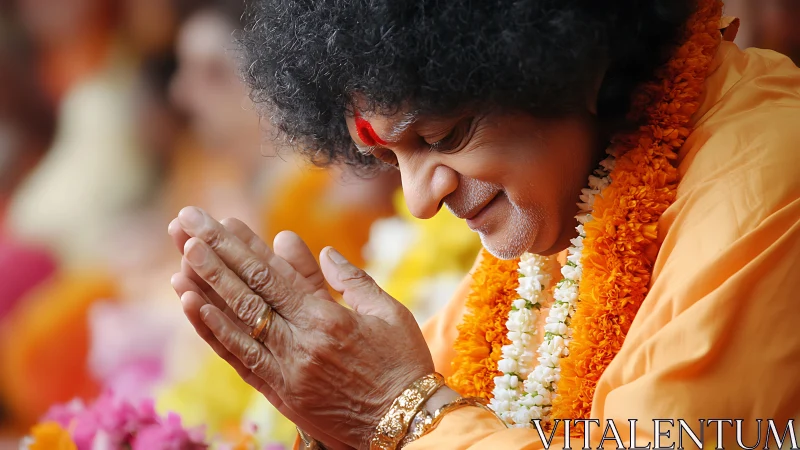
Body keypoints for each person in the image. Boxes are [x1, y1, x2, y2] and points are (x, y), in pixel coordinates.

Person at [168, 0, 800, 449]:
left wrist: (397, 408)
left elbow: (410, 405)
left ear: (570, 63)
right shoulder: (568, 204)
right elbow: (428, 392)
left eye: (443, 136)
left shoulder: (767, 179)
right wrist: (331, 410)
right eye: (389, 158)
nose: (419, 200)